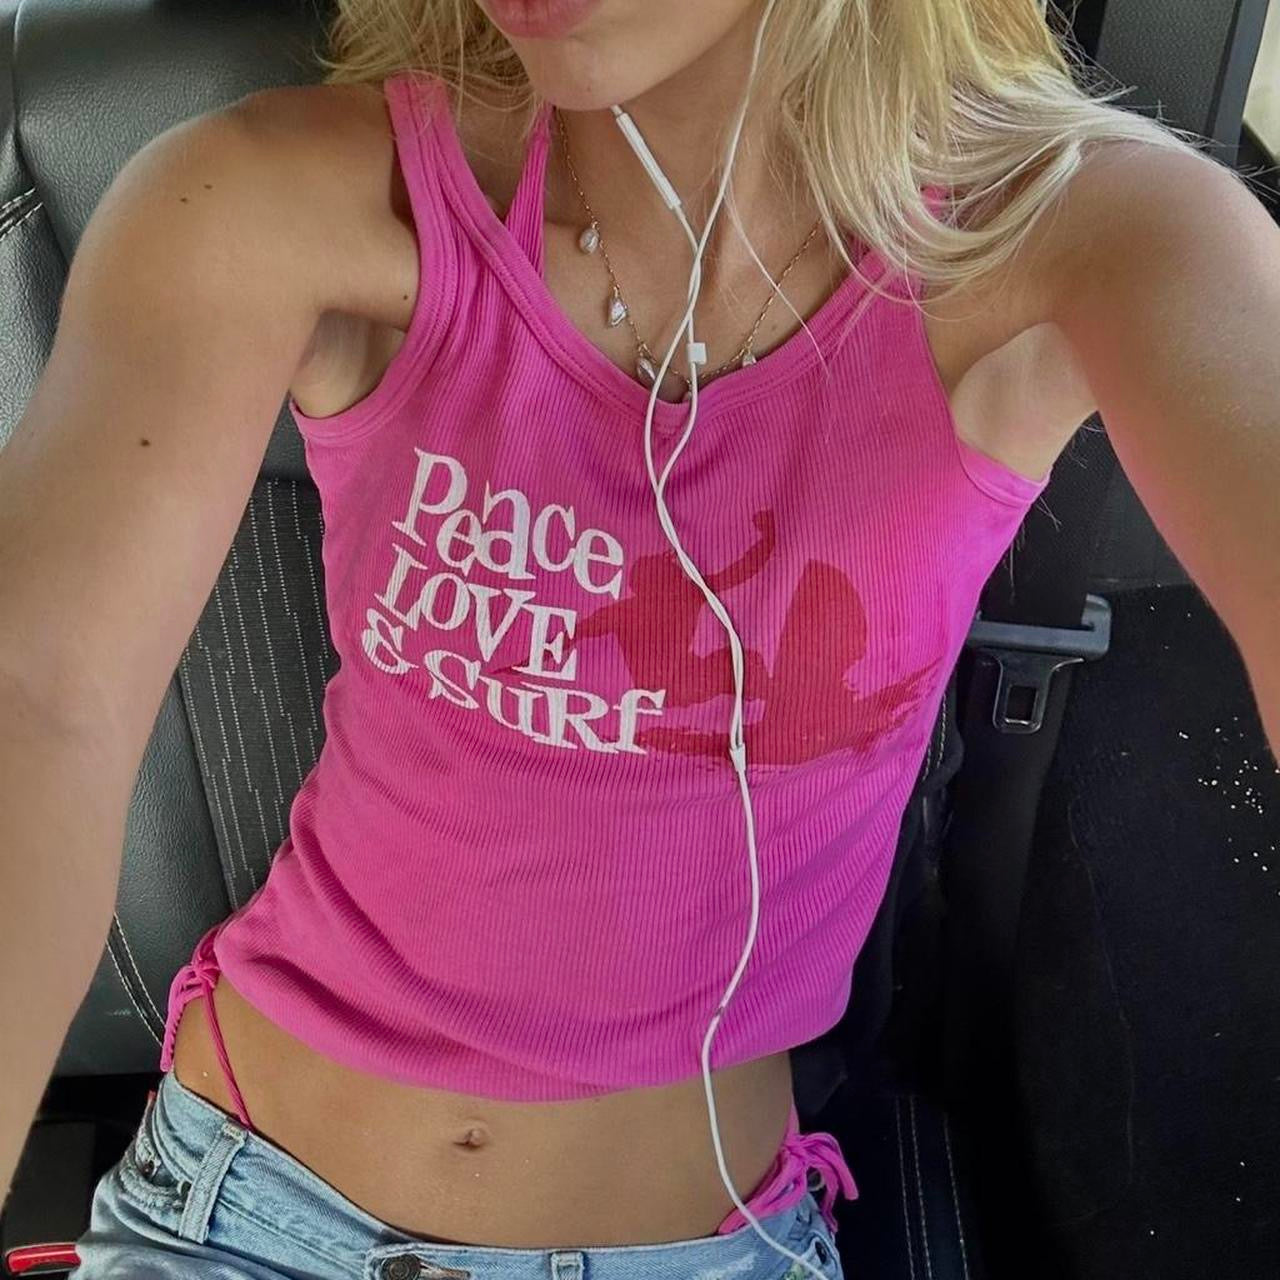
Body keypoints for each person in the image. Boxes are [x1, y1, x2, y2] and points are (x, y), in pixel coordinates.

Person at [4, 1, 1275, 1278]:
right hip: (242, 1210)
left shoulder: (1075, 235)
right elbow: (41, 701)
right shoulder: (280, 202)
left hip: (707, 1250)